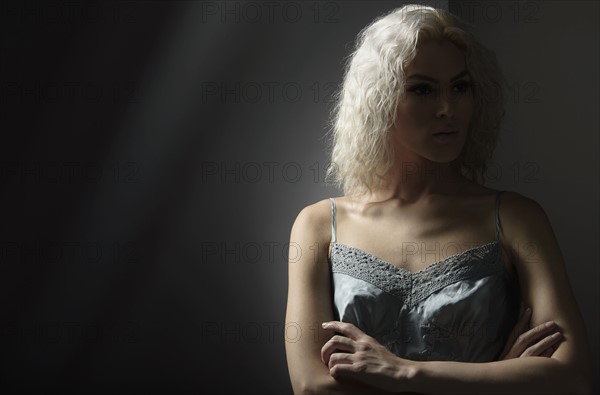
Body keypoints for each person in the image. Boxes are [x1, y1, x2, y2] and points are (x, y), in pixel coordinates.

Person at [284, 4, 592, 395]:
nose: (448, 109)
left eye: (460, 87)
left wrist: (402, 372)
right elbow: (312, 387)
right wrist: (499, 377)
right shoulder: (317, 225)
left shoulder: (516, 218)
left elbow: (573, 378)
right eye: (422, 89)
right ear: (379, 100)